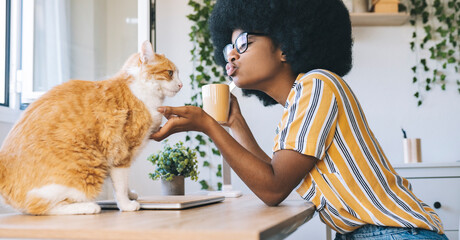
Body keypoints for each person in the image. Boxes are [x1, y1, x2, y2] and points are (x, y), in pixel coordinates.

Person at [151, 0, 447, 239]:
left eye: (242, 43)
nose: (230, 57)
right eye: (228, 49)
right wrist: (236, 124)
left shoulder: (318, 85)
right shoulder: (298, 103)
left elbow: (273, 188)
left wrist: (208, 126)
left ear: (285, 46)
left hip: (397, 234)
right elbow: (272, 175)